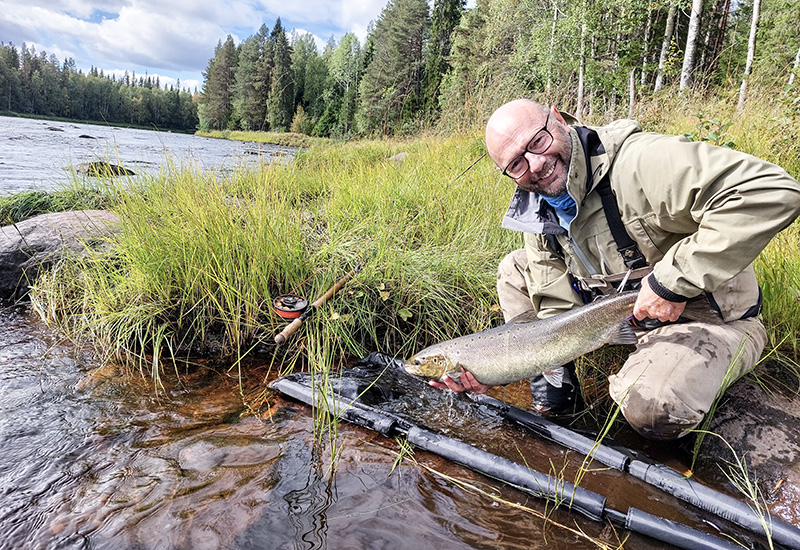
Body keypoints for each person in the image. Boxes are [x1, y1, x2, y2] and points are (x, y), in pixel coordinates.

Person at [432, 99, 800, 440]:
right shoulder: (537, 209)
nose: (536, 164)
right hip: (620, 315)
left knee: (652, 407)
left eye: (538, 141)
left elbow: (773, 191)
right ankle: (557, 389)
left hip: (712, 319)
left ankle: (678, 368)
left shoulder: (642, 162)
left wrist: (672, 282)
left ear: (557, 118)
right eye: (516, 163)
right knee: (515, 267)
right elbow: (557, 317)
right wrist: (498, 373)